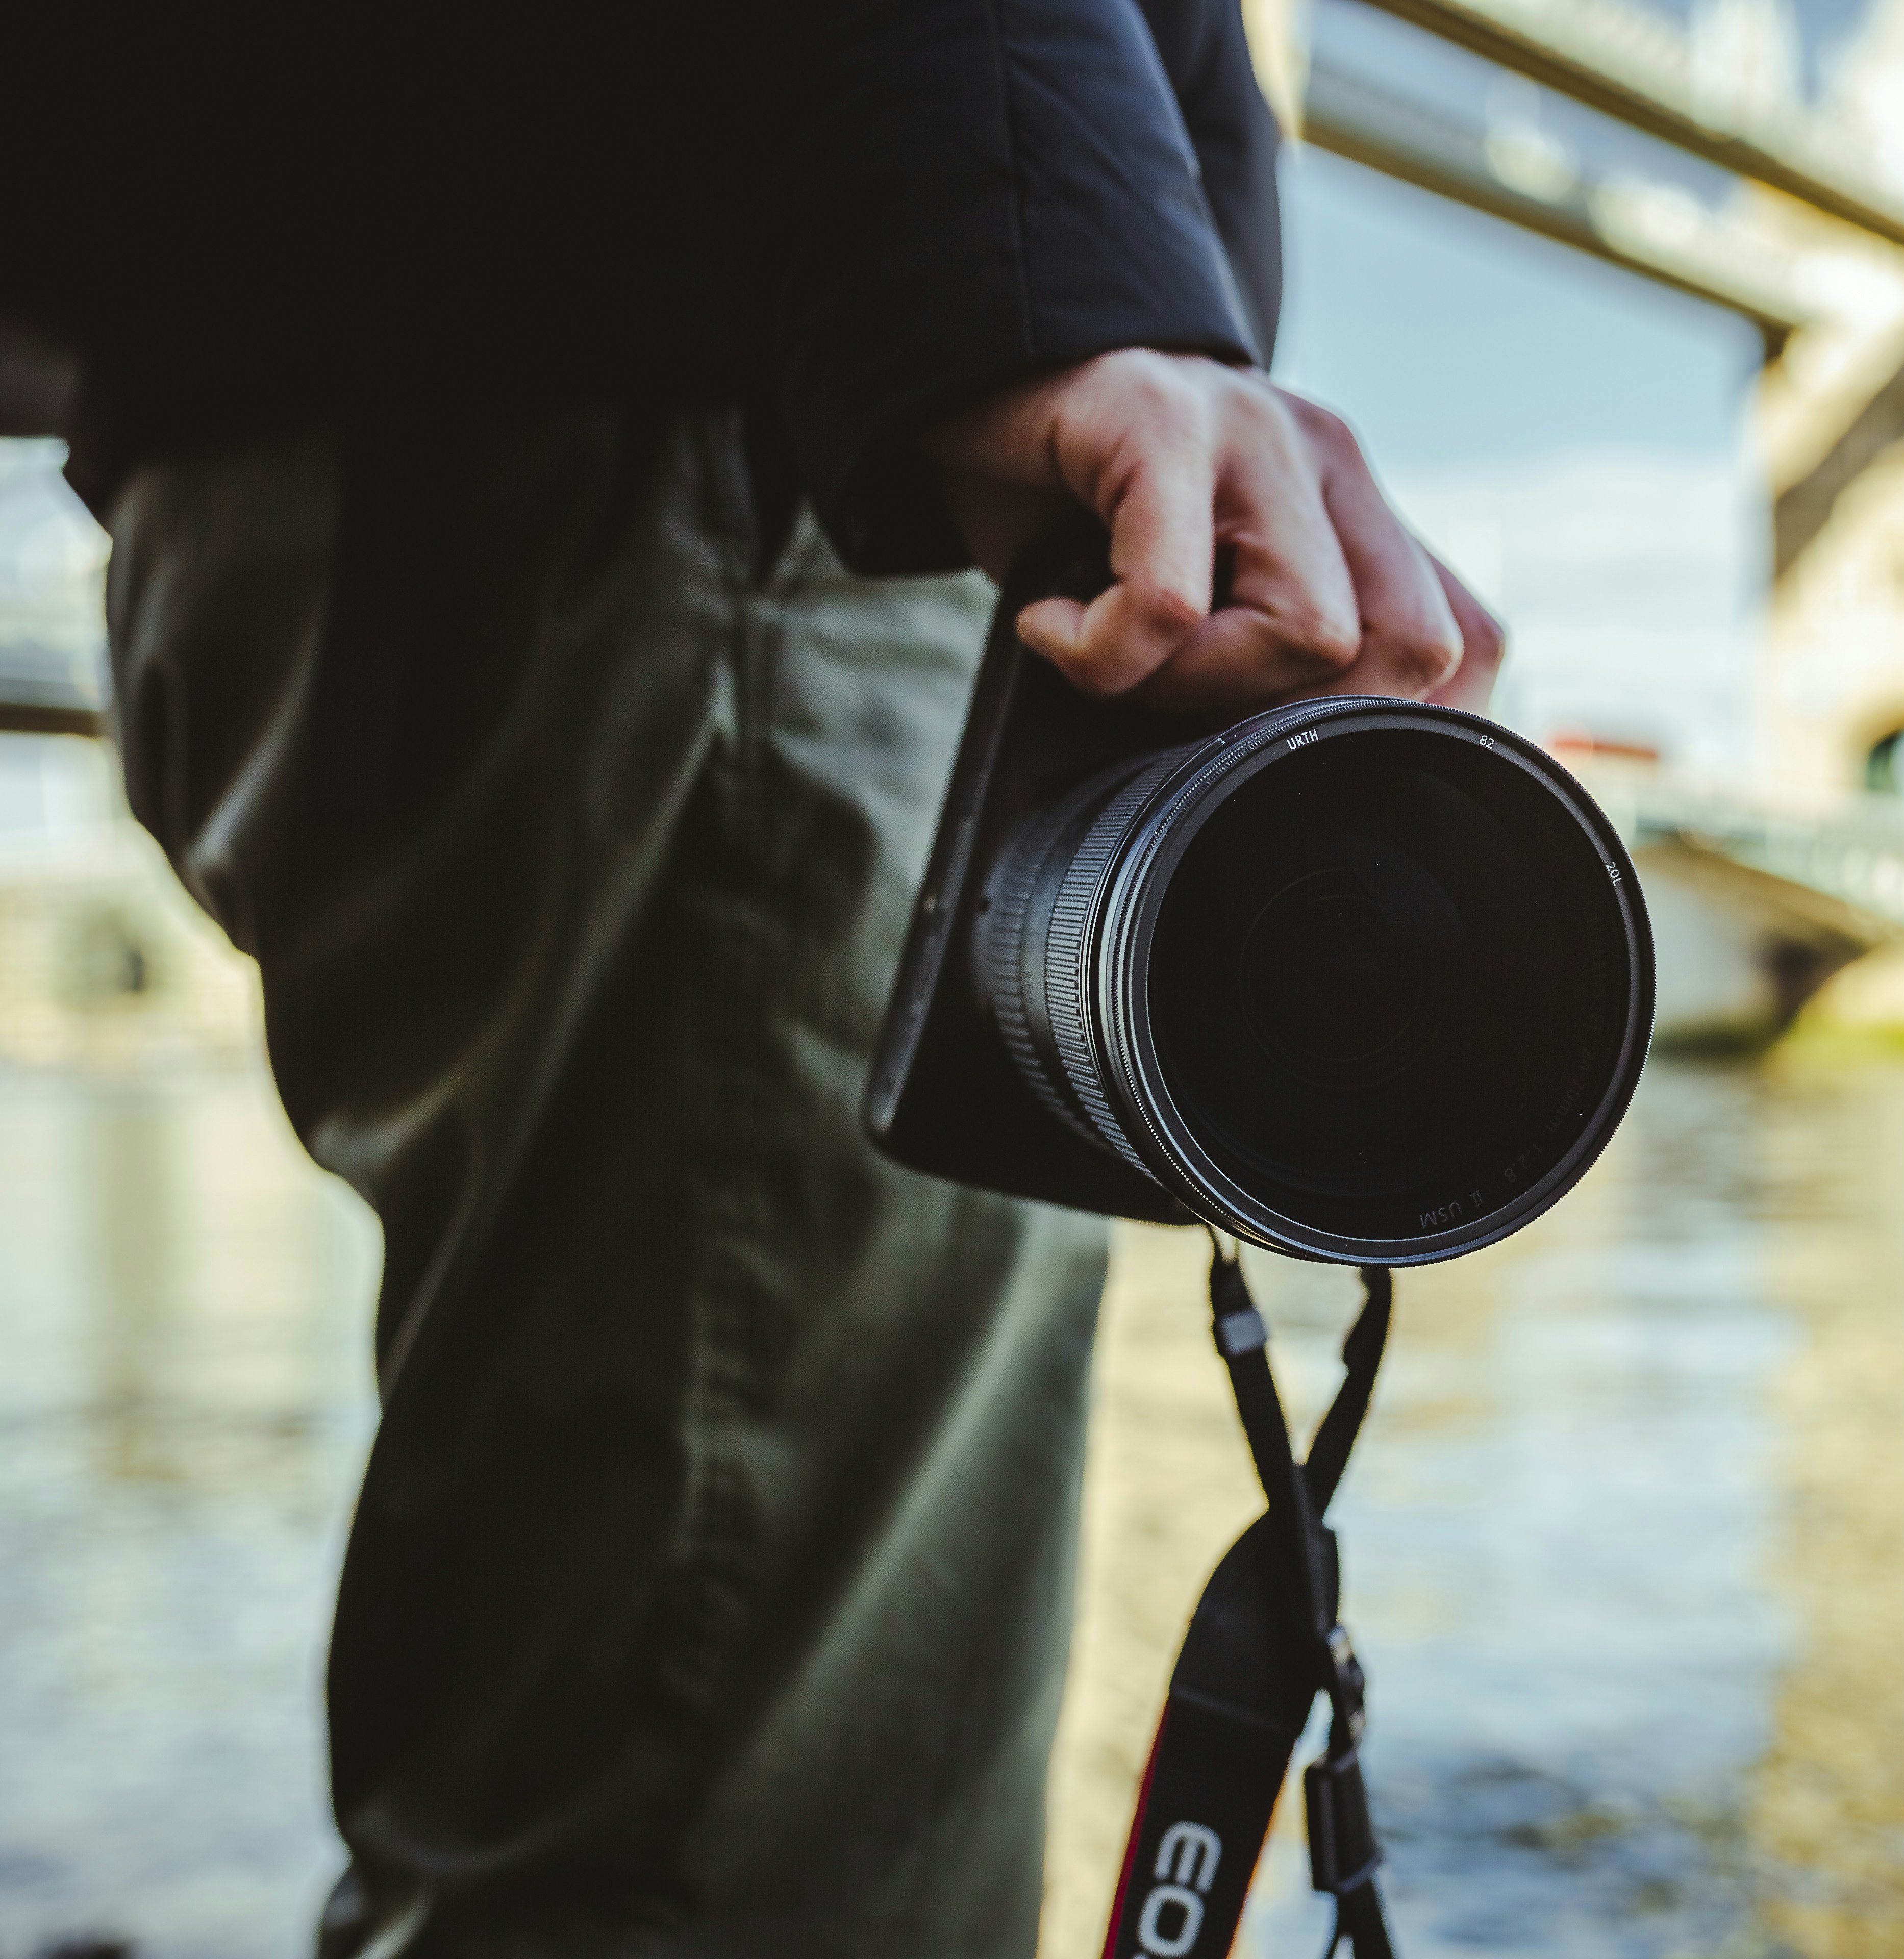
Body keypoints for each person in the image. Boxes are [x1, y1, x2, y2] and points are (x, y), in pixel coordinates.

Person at [0, 2, 1496, 1952]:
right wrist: (1041, 271)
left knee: (627, 1771)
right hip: (734, 450)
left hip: (410, 413)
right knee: (720, 1866)